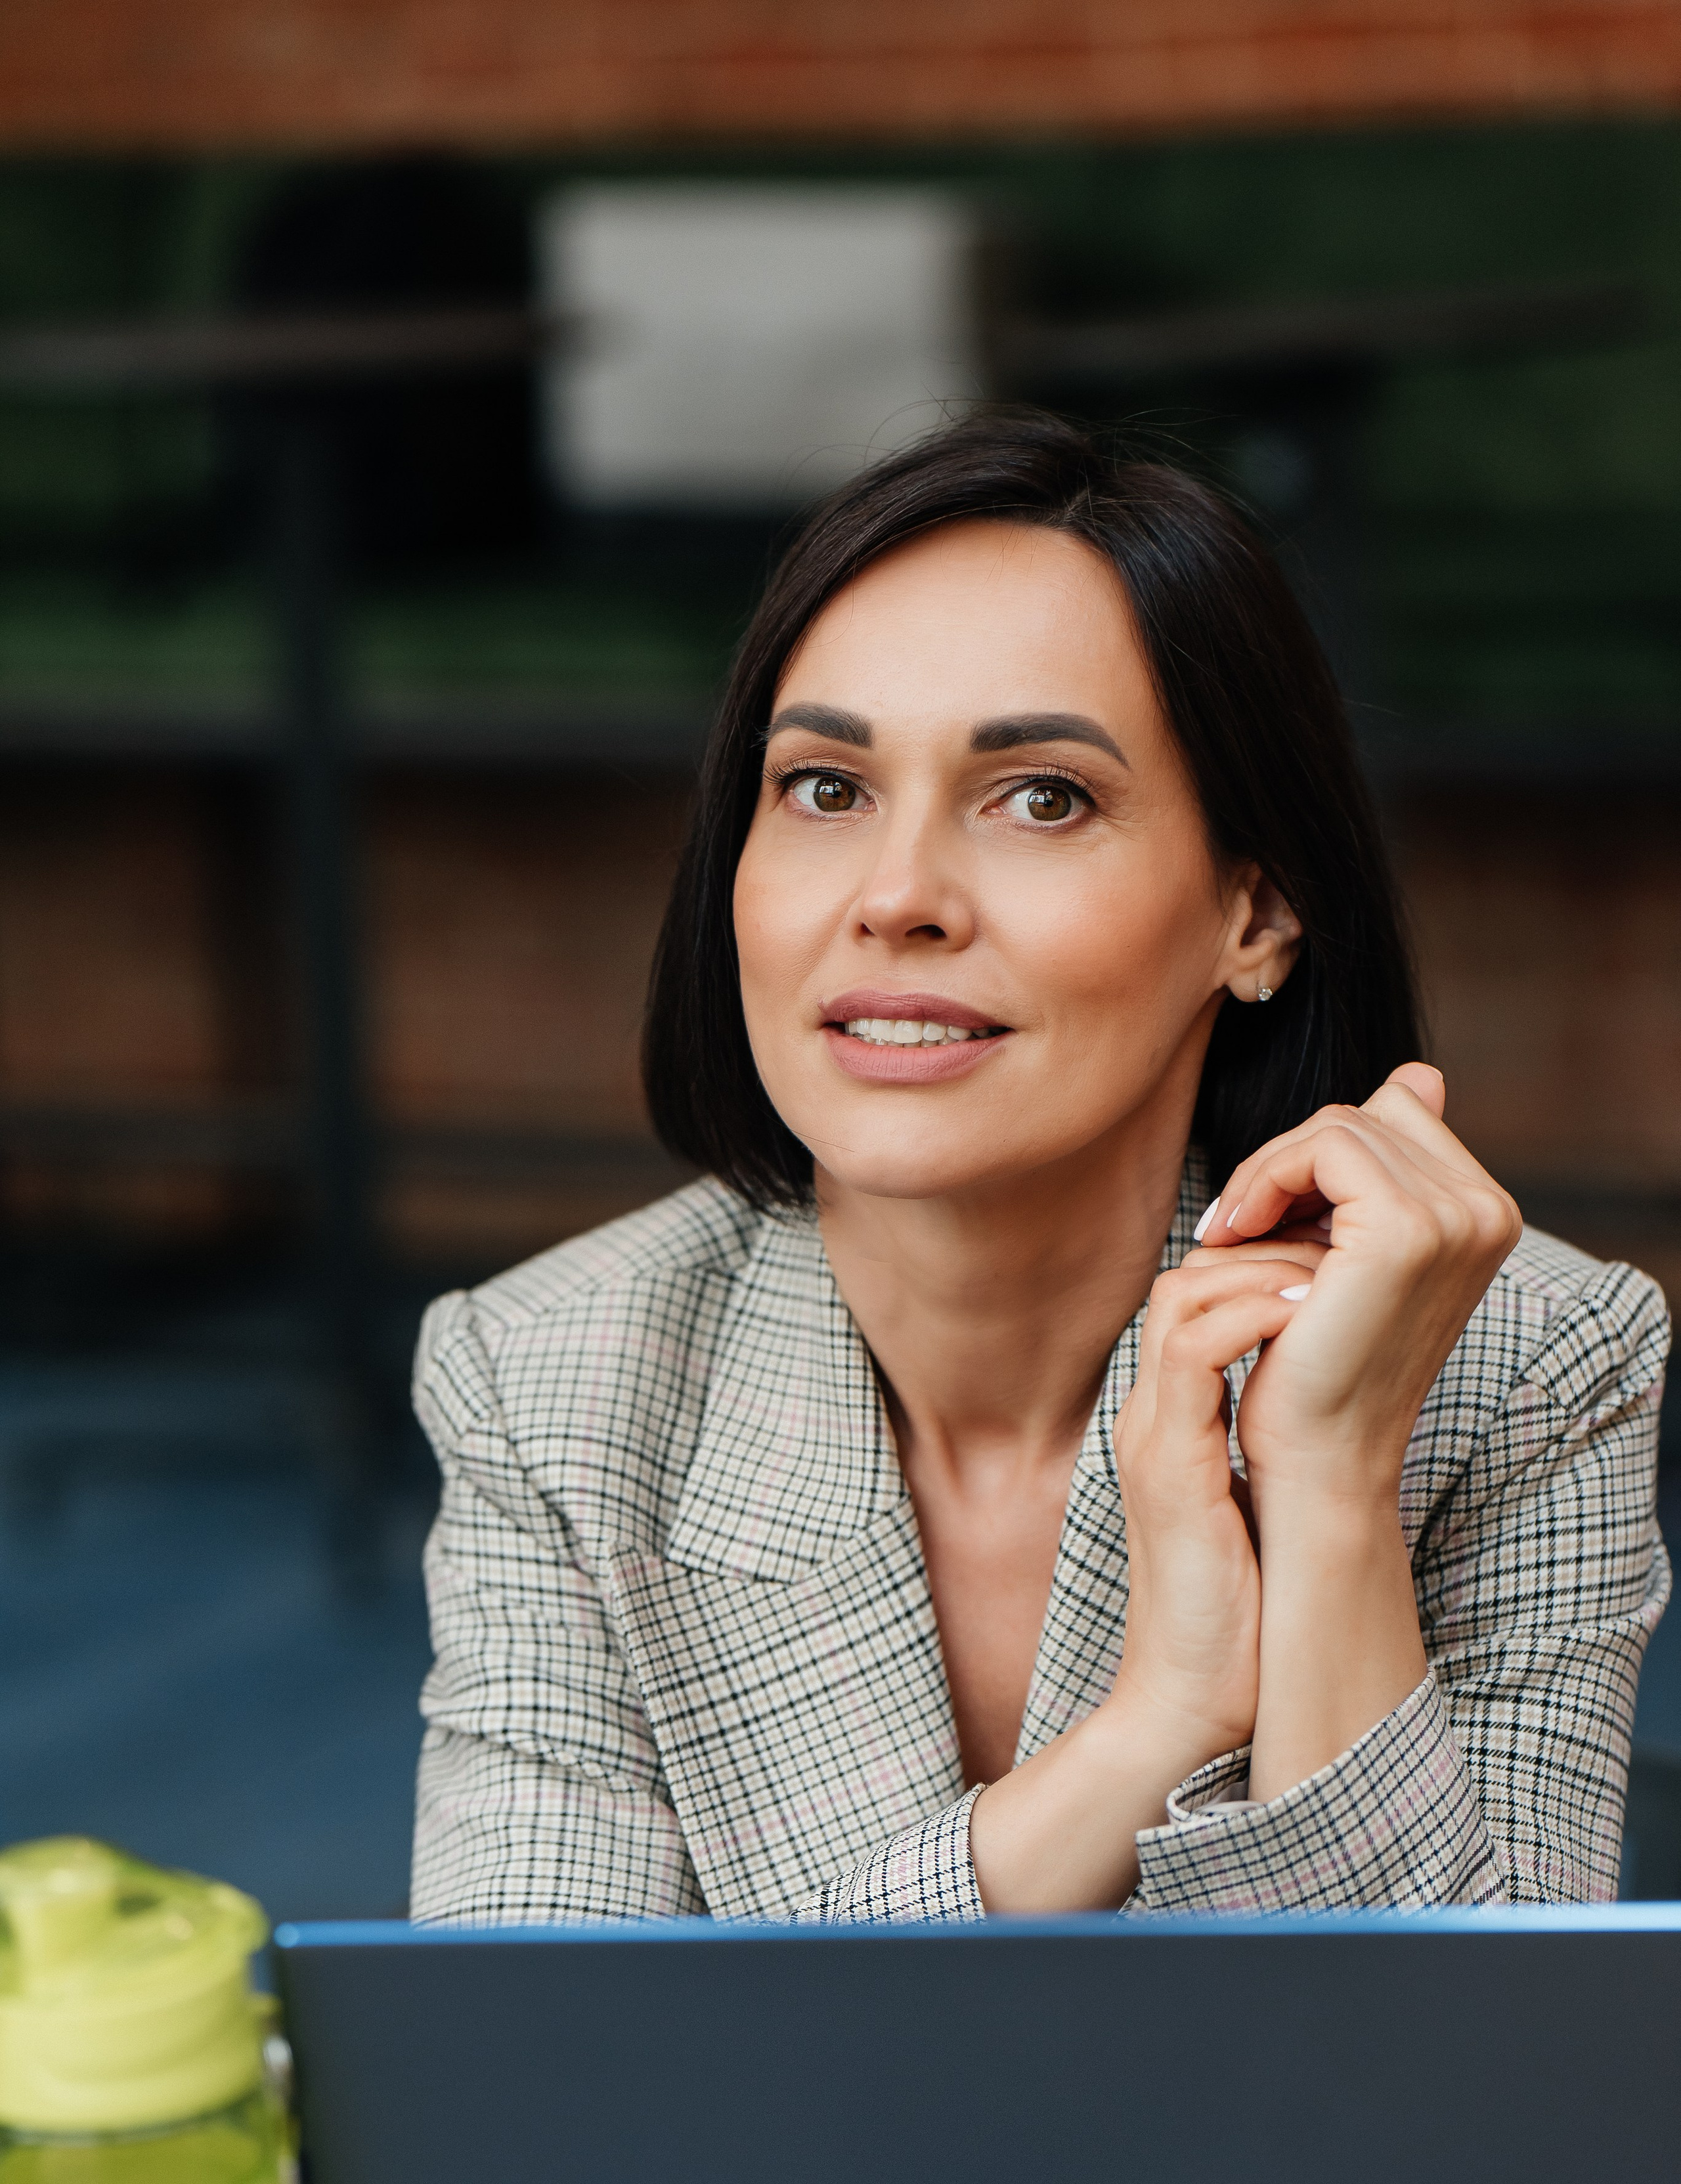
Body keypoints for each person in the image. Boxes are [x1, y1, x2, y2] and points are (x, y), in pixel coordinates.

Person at [410, 410, 1669, 1924]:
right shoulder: (550, 1382)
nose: (897, 896)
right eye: (825, 787)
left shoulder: (1525, 1368)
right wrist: (1150, 1733)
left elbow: (1467, 2064)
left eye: (1042, 796)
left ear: (1255, 913)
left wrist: (1331, 1488)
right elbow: (544, 2057)